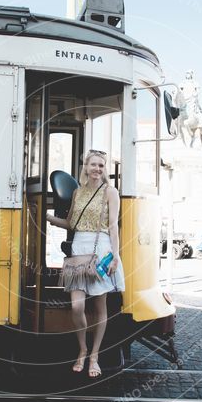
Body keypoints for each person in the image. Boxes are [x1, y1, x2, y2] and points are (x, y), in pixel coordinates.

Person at [47, 150, 125, 378]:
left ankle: (94, 356)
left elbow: (113, 226)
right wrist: (49, 219)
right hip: (79, 248)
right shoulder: (78, 193)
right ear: (86, 167)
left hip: (100, 249)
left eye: (101, 165)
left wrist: (116, 256)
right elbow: (71, 224)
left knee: (101, 307)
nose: (97, 169)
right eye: (94, 164)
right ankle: (82, 348)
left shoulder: (110, 192)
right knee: (77, 306)